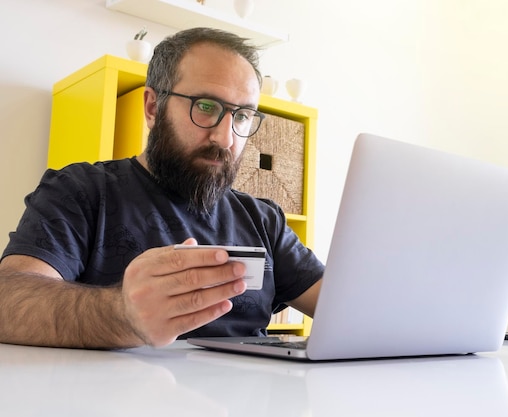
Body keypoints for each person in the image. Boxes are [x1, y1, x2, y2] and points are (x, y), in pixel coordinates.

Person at [0, 27, 325, 349]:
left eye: (242, 116)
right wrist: (120, 315)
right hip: (116, 398)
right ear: (153, 107)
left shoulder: (263, 219)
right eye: (206, 107)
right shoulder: (80, 191)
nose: (226, 139)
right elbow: (8, 301)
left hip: (254, 398)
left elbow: (345, 310)